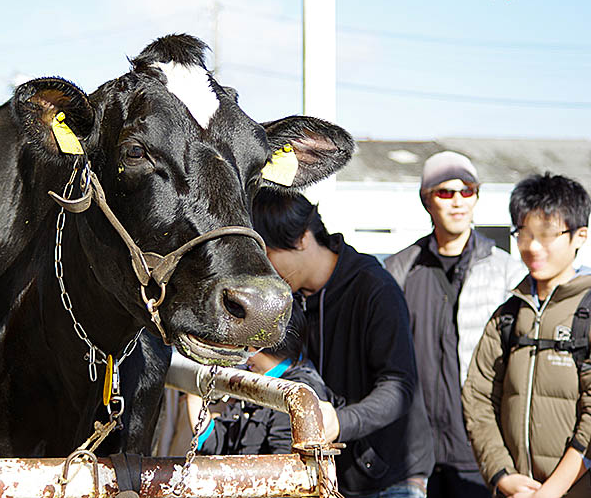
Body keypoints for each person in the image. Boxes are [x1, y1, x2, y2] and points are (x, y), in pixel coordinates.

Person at [251, 189, 434, 498]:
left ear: (301, 238)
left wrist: (340, 422)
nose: (265, 271)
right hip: (332, 473)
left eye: (267, 256)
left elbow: (399, 385)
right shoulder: (291, 297)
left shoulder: (375, 288)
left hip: (391, 475)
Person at [384, 151, 526, 498]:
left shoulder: (507, 272)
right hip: (413, 451)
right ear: (427, 200)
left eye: (468, 191)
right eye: (445, 192)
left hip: (480, 449)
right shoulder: (399, 270)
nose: (458, 202)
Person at [463, 173, 591, 498]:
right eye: (523, 233)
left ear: (580, 236)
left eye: (547, 234)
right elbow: (478, 398)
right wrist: (502, 475)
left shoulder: (586, 311)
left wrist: (551, 491)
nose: (532, 247)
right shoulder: (507, 314)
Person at [188, 302, 341, 455]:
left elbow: (283, 468)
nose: (241, 355)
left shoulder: (296, 394)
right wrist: (193, 385)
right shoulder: (254, 378)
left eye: (243, 345)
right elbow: (217, 442)